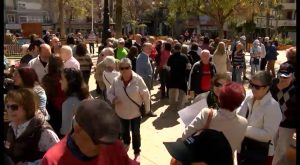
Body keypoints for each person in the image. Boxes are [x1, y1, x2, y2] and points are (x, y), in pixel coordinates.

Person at [168, 82, 248, 165]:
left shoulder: (207, 113)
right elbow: (236, 148)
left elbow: (185, 136)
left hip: (201, 161)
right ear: (239, 104)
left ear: (220, 98)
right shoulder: (244, 123)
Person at [41, 99, 137, 165]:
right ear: (77, 128)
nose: (104, 147)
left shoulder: (114, 146)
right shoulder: (52, 161)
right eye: (97, 140)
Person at [107, 58, 151, 163]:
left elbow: (146, 94)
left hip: (135, 112)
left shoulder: (138, 79)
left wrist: (147, 109)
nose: (124, 70)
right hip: (121, 112)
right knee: (124, 131)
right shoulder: (116, 80)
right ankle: (126, 144)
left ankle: (137, 151)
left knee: (136, 132)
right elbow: (109, 93)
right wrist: (113, 99)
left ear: (131, 67)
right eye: (121, 68)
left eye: (127, 68)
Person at [237, 71, 282, 165]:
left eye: (257, 87)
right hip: (242, 146)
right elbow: (239, 116)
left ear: (267, 87)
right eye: (251, 84)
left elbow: (268, 135)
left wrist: (243, 128)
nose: (253, 89)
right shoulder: (249, 96)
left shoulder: (273, 106)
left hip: (261, 153)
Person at [4, 88, 59, 164]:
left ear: (28, 107)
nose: (9, 110)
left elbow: (58, 158)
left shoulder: (44, 132)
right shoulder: (10, 127)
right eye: (7, 106)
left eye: (14, 107)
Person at [270, 63, 296, 165]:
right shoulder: (273, 85)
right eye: (281, 76)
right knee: (273, 147)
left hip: (288, 125)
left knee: (281, 150)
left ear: (292, 75)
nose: (283, 79)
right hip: (273, 122)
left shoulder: (295, 89)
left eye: (286, 77)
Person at [60, 68, 90, 136]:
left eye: (62, 78)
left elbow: (65, 130)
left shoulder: (68, 104)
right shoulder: (86, 95)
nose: (60, 81)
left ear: (70, 82)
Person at [41, 56, 65, 136]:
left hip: (51, 107)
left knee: (54, 130)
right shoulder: (64, 77)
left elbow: (44, 93)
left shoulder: (46, 78)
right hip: (63, 105)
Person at [166, 43, 191, 111]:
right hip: (182, 77)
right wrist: (186, 73)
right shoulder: (185, 57)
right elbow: (188, 67)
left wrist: (170, 72)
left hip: (173, 77)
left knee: (172, 93)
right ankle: (180, 107)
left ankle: (173, 106)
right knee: (182, 93)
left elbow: (168, 68)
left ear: (174, 49)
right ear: (180, 49)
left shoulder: (171, 57)